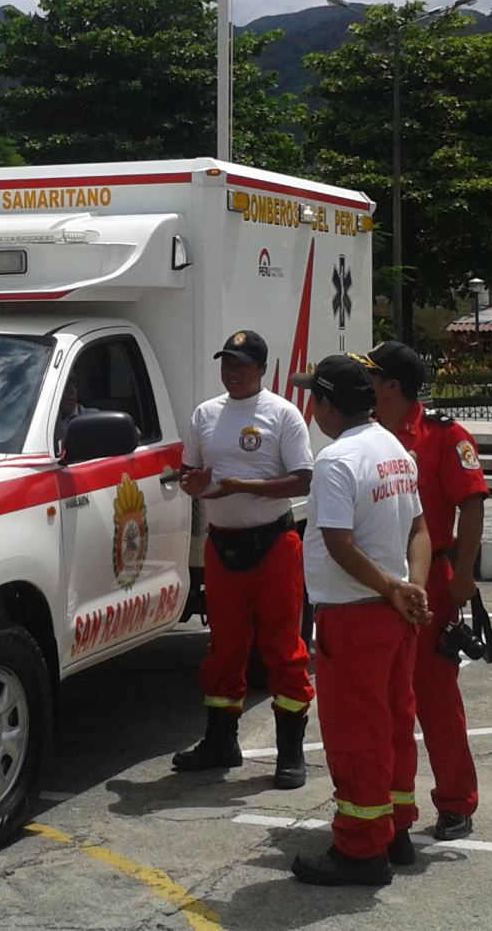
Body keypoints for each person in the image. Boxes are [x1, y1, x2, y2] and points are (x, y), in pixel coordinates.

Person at [286, 354, 429, 887]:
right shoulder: (393, 446)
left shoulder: (336, 460)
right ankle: (394, 830)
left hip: (355, 614)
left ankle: (361, 849)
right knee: (393, 724)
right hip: (392, 614)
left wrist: (395, 587)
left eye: (313, 397)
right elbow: (420, 528)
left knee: (355, 735)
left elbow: (338, 543)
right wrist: (408, 586)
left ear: (325, 404)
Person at [171, 329, 316, 788]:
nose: (232, 373)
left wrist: (242, 487)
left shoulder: (282, 414)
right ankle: (220, 742)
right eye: (226, 364)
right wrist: (191, 484)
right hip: (223, 545)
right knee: (224, 650)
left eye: (241, 365)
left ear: (261, 369)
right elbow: (190, 471)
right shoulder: (206, 414)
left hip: (273, 545)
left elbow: (302, 481)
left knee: (283, 650)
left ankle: (290, 754)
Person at [361, 340, 486, 842]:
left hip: (430, 577)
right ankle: (389, 802)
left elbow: (472, 503)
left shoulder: (441, 434)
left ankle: (456, 801)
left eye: (372, 377)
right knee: (382, 698)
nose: (365, 387)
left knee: (434, 696)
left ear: (392, 385)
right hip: (375, 579)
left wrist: (464, 575)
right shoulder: (366, 433)